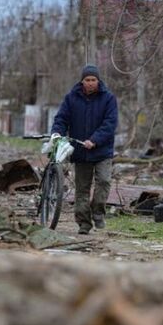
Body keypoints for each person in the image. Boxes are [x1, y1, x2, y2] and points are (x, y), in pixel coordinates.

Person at [51, 64, 118, 235]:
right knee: (82, 189)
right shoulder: (71, 98)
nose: (90, 83)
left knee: (104, 181)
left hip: (102, 150)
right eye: (87, 80)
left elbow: (110, 123)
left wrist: (95, 140)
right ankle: (84, 223)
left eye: (93, 80)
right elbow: (61, 118)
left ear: (98, 80)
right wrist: (57, 133)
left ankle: (98, 212)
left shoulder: (108, 98)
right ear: (82, 81)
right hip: (81, 151)